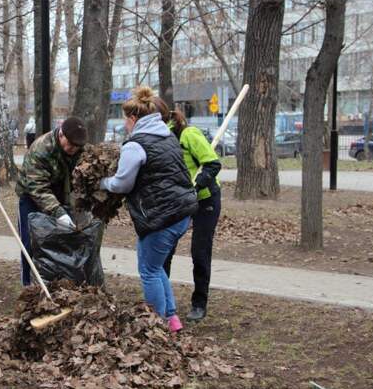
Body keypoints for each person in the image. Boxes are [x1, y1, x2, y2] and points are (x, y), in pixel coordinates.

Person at [99, 87, 197, 332]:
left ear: (133, 119)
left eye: (125, 119)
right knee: (156, 265)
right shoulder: (167, 136)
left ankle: (158, 324)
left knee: (149, 270)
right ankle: (172, 319)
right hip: (182, 213)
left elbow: (122, 184)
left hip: (160, 217)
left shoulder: (136, 144)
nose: (125, 124)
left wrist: (102, 183)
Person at [156, 102, 221, 322]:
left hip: (205, 199)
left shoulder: (188, 134)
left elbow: (213, 164)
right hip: (179, 201)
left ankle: (199, 303)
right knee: (165, 249)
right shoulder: (159, 139)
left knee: (200, 251)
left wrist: (196, 186)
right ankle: (162, 301)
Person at [15, 116, 87, 286]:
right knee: (30, 243)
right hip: (31, 197)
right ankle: (28, 285)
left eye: (76, 147)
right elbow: (37, 187)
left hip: (61, 196)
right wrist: (59, 213)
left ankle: (55, 283)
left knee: (61, 243)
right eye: (69, 144)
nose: (71, 149)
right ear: (61, 134)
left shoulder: (80, 150)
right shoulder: (41, 148)